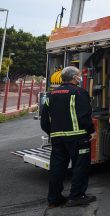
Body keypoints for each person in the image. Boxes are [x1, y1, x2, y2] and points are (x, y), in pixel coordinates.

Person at [40, 66, 97, 208]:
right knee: (80, 167)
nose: (80, 77)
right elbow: (84, 116)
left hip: (58, 139)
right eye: (78, 75)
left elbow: (44, 121)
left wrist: (53, 133)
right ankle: (76, 197)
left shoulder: (51, 94)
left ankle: (54, 199)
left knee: (57, 168)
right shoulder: (79, 92)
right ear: (74, 78)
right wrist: (91, 131)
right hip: (78, 138)